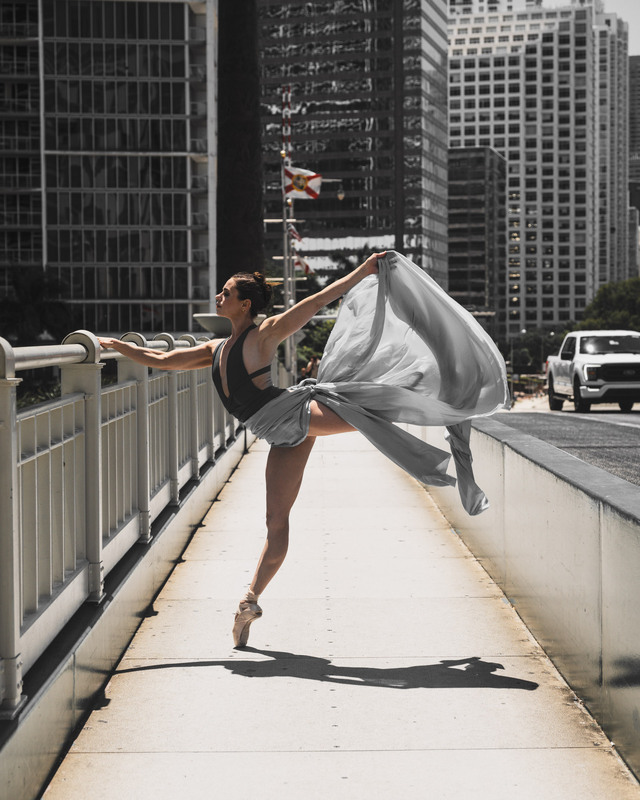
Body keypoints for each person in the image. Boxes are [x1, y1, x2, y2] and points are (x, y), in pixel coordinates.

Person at [99, 250, 509, 648]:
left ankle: (436, 387)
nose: (218, 297)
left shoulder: (266, 333)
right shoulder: (215, 349)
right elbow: (158, 358)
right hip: (280, 433)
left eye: (226, 293)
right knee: (275, 521)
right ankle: (250, 601)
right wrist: (114, 345)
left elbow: (317, 301)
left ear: (244, 304)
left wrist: (364, 271)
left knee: (373, 409)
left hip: (294, 414)